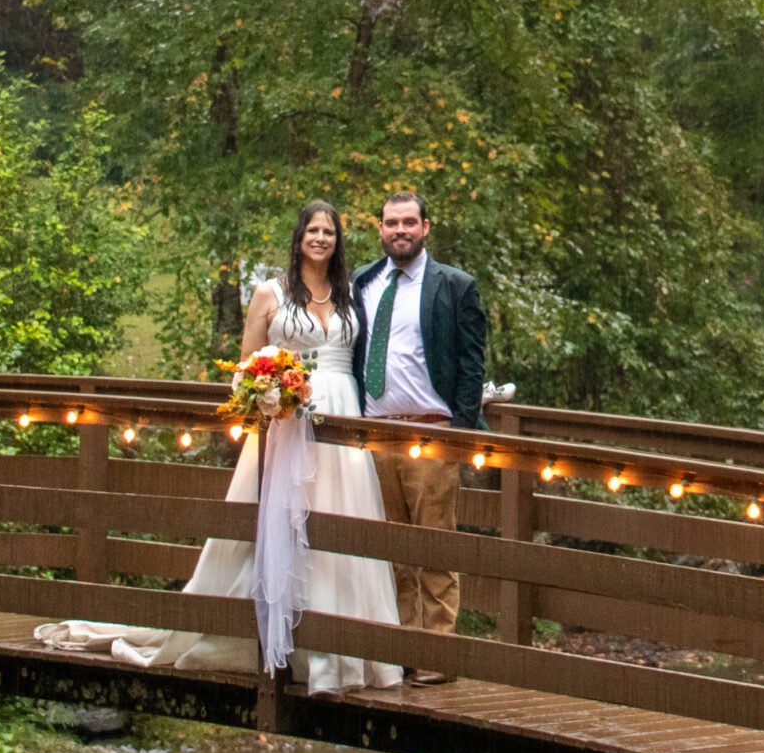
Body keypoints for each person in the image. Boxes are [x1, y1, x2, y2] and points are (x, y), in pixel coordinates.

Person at [34, 200, 402, 694]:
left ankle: (341, 652)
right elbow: (246, 366)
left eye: (329, 232)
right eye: (312, 230)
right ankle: (271, 640)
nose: (320, 238)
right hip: (287, 420)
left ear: (338, 241)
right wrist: (272, 392)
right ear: (298, 238)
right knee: (278, 522)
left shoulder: (351, 294)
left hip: (342, 413)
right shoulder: (270, 292)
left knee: (341, 524)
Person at [352, 189, 489, 684]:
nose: (400, 231)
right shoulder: (363, 282)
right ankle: (403, 648)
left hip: (431, 434)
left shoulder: (454, 286)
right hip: (375, 435)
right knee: (391, 550)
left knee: (434, 547)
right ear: (380, 228)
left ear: (426, 227)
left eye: (409, 222)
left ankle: (437, 654)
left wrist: (463, 433)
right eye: (391, 223)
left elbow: (472, 366)